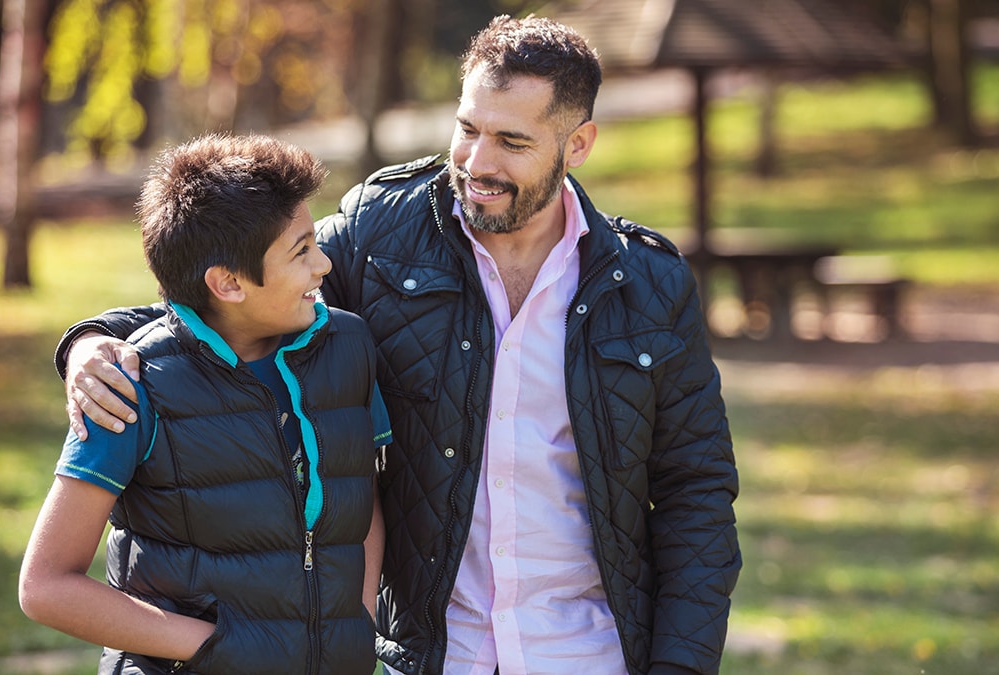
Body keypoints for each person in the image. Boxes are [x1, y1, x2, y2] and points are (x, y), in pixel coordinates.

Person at [55, 15, 741, 675]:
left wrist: (680, 663)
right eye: (467, 129)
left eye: (512, 141)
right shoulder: (384, 231)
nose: (477, 161)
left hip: (591, 653)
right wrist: (92, 340)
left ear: (579, 144)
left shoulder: (650, 282)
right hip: (435, 654)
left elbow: (695, 489)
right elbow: (241, 288)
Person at [20, 133, 392, 674]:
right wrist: (211, 645)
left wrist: (354, 622)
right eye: (301, 251)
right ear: (227, 283)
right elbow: (46, 585)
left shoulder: (349, 348)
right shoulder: (128, 386)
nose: (324, 266)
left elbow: (363, 495)